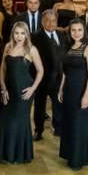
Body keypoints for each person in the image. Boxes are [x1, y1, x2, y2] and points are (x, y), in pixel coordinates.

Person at [0, 22, 43, 166]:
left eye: (22, 33)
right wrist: (3, 87)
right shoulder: (8, 47)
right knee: (3, 120)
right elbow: (2, 68)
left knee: (19, 122)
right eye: (16, 33)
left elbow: (41, 70)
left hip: (24, 91)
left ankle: (18, 154)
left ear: (27, 34)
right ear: (12, 34)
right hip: (8, 90)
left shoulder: (31, 49)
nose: (19, 36)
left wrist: (32, 89)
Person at [58, 19, 88, 171]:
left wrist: (86, 96)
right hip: (68, 90)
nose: (76, 33)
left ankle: (78, 159)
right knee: (69, 123)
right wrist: (61, 89)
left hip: (81, 90)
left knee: (79, 124)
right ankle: (70, 155)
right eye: (73, 30)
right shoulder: (68, 47)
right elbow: (65, 72)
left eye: (79, 30)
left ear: (84, 31)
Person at [31, 10, 68, 140]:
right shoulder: (35, 37)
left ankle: (58, 128)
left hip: (59, 78)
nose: (50, 23)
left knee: (59, 103)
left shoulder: (62, 35)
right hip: (42, 78)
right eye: (47, 20)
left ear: (57, 22)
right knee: (39, 105)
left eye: (53, 21)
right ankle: (38, 130)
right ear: (42, 22)